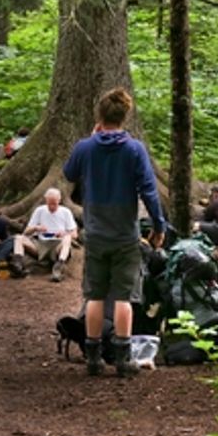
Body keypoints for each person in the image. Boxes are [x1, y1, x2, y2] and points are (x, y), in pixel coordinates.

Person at [63, 87, 165, 378]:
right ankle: (123, 359)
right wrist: (158, 225)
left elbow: (69, 174)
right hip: (125, 235)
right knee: (124, 297)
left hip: (95, 233)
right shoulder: (134, 149)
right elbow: (149, 190)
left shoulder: (86, 147)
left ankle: (93, 358)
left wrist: (92, 138)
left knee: (95, 295)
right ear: (125, 117)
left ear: (99, 116)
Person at [10, 187, 78, 282]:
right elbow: (26, 232)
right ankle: (18, 265)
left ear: (59, 200)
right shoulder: (40, 210)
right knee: (19, 238)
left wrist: (64, 233)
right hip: (40, 244)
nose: (52, 207)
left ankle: (58, 268)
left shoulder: (65, 212)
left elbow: (74, 234)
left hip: (57, 245)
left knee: (67, 238)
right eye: (49, 203)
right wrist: (36, 228)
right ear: (46, 200)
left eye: (54, 204)